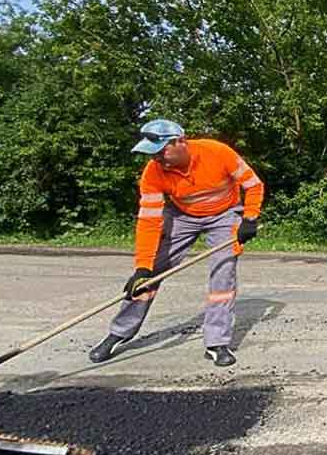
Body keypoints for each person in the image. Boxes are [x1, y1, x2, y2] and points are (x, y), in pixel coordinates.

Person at [88, 119, 265, 367]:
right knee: (147, 277)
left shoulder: (217, 152)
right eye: (152, 154)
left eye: (161, 152)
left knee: (222, 275)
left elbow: (254, 185)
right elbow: (149, 221)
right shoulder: (153, 172)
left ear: (179, 142)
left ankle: (216, 342)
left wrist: (249, 218)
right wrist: (143, 266)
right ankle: (119, 333)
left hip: (224, 216)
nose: (157, 159)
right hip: (183, 217)